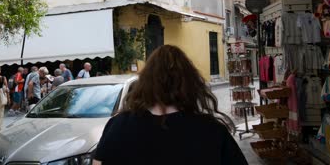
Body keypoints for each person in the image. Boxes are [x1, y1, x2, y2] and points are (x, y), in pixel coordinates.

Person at [93, 45, 247, 165]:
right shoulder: (212, 130)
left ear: (145, 82)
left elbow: (97, 162)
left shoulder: (117, 125)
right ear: (190, 82)